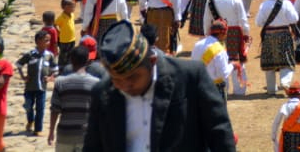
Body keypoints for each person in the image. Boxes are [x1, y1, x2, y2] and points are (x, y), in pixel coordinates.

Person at [82, 20, 235, 151]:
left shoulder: (190, 77)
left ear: (152, 61)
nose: (126, 85)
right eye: (117, 80)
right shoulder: (102, 93)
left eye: (133, 77)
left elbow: (220, 133)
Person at [203, 0, 251, 97]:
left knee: (220, 61)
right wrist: (246, 33)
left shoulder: (210, 0)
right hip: (235, 32)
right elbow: (242, 18)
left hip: (216, 34)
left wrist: (207, 36)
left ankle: (224, 89)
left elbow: (206, 21)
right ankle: (239, 90)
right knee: (236, 60)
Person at [48, 45, 99, 152]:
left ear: (71, 60)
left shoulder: (60, 82)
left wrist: (51, 131)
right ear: (87, 61)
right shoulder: (96, 84)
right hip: (86, 136)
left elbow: (55, 109)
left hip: (65, 135)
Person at [255, 0, 300, 94]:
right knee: (287, 60)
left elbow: (258, 22)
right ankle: (285, 83)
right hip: (284, 34)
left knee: (269, 63)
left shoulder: (264, 5)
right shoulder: (287, 3)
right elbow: (294, 19)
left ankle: (271, 89)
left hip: (269, 35)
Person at [16, 29, 57, 137]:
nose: (48, 43)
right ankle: (30, 120)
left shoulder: (49, 55)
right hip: (30, 87)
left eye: (49, 40)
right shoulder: (30, 54)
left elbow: (55, 69)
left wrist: (50, 78)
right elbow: (19, 64)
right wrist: (23, 76)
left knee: (41, 108)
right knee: (28, 106)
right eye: (46, 40)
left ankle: (38, 129)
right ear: (38, 41)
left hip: (42, 88)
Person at [190, 20, 234, 98]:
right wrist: (232, 65)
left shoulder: (197, 44)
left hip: (198, 87)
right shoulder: (219, 49)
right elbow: (223, 74)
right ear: (221, 34)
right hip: (214, 89)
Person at [270, 84, 300, 152]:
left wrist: (273, 136)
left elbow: (276, 122)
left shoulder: (285, 106)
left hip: (287, 135)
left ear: (289, 95)